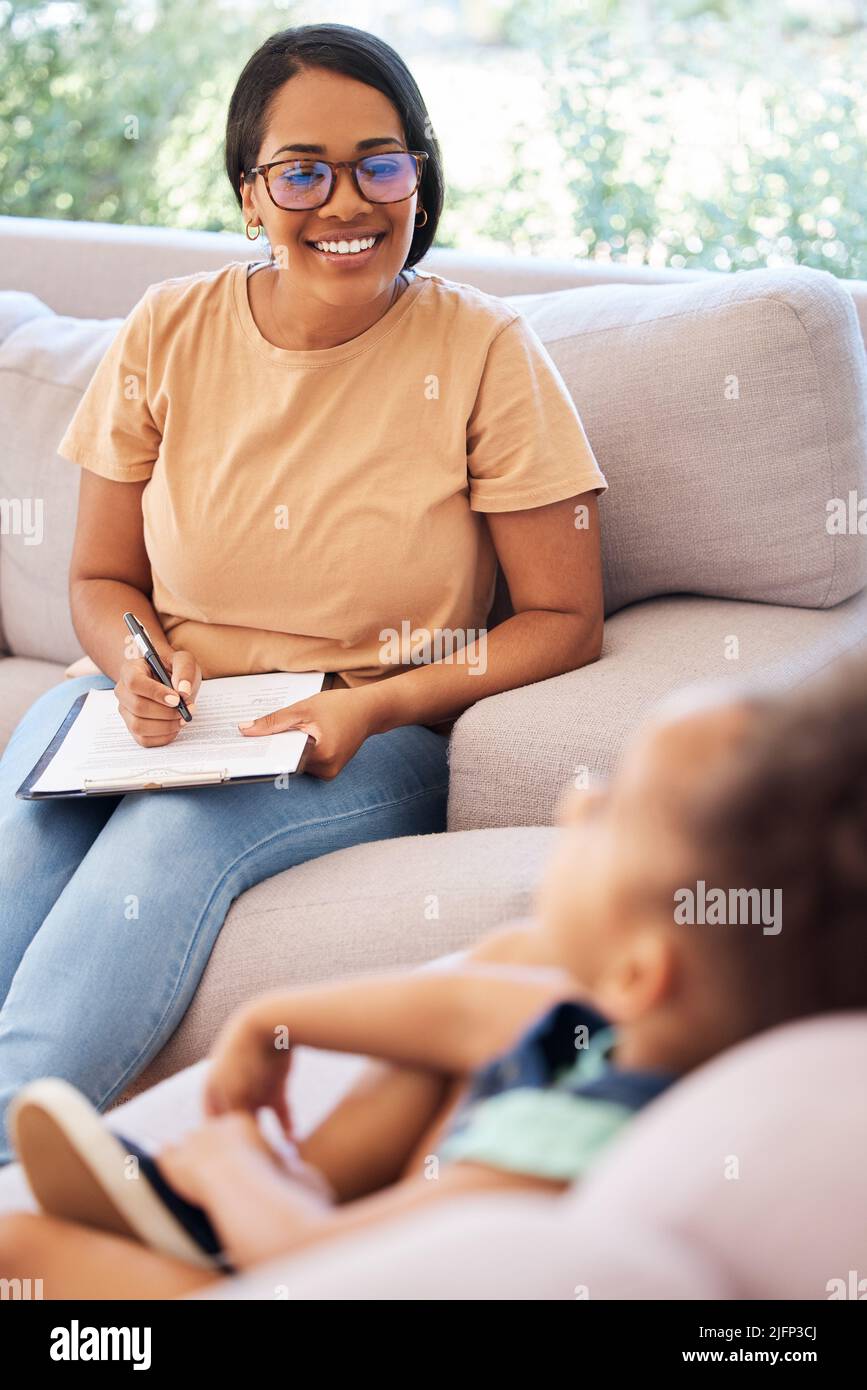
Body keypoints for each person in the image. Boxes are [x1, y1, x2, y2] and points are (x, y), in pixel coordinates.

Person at [0, 22, 606, 1164]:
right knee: (22, 849)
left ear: (419, 178)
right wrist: (135, 656)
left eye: (382, 162)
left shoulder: (485, 350)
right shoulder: (168, 328)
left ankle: (15, 1162)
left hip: (354, 727)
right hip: (144, 710)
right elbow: (100, 576)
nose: (347, 202)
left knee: (171, 834)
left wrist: (368, 707)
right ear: (250, 194)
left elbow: (565, 618)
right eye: (303, 171)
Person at [2, 649, 865, 1298]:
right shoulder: (626, 1029)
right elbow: (461, 1008)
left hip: (317, 1269)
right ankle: (193, 1223)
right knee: (494, 978)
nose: (575, 802)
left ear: (640, 973)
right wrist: (273, 1018)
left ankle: (198, 1228)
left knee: (17, 1252)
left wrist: (226, 1168)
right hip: (321, 1229)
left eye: (611, 811)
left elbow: (319, 1266)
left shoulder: (552, 1151)